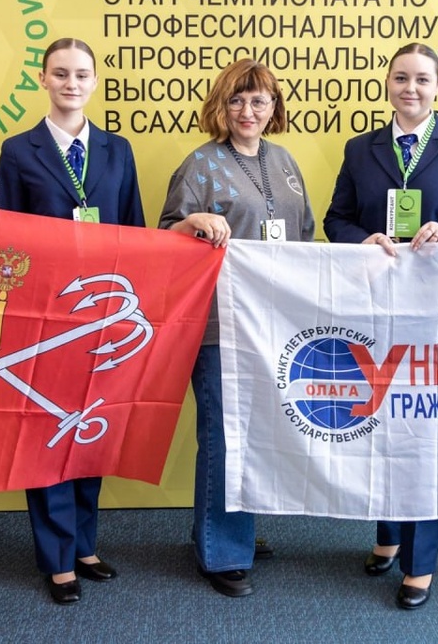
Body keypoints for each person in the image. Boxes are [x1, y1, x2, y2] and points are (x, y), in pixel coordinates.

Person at [323, 42, 438, 609]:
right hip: (377, 307)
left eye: (423, 79)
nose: (411, 88)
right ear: (388, 83)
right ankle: (387, 535)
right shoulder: (361, 149)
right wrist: (363, 239)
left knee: (425, 431)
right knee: (380, 420)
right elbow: (335, 219)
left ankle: (420, 563)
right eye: (401, 78)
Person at [0, 38, 144, 605]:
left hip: (103, 312)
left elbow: (133, 229)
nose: (71, 83)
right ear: (43, 78)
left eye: (81, 74)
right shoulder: (18, 150)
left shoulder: (117, 149)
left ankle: (84, 545)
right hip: (46, 315)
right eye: (60, 73)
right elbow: (5, 236)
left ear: (94, 81)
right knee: (47, 434)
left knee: (88, 427)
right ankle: (56, 559)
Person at [159, 59, 315, 598]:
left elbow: (304, 235)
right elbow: (167, 236)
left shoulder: (285, 161)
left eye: (259, 101)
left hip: (275, 326)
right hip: (219, 325)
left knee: (257, 438)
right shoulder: (200, 165)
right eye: (237, 100)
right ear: (221, 106)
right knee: (223, 437)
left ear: (274, 108)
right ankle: (221, 552)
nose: (248, 111)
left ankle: (230, 531)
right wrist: (192, 222)